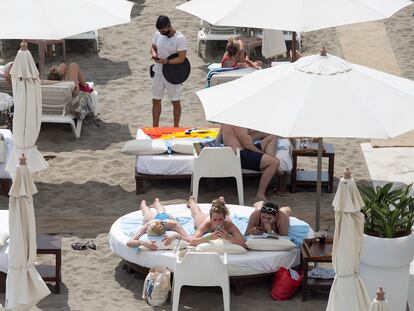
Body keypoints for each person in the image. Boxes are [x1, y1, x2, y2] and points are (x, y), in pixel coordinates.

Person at [222, 124, 280, 201]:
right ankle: (260, 194)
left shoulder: (229, 120)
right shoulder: (236, 122)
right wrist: (261, 154)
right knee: (275, 162)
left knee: (273, 137)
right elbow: (247, 144)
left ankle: (268, 166)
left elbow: (246, 140)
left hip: (242, 151)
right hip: (240, 155)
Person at [150, 15, 187, 127]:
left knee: (175, 102)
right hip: (158, 72)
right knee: (156, 100)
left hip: (173, 74)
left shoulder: (180, 38)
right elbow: (153, 47)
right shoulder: (158, 34)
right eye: (160, 31)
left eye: (163, 31)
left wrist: (166, 62)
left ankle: (176, 127)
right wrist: (154, 54)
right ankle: (155, 127)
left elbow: (181, 58)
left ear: (169, 26)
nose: (161, 33)